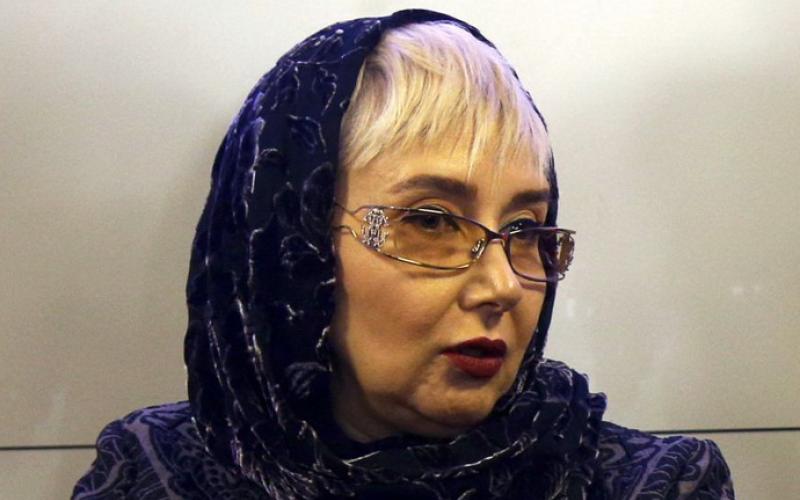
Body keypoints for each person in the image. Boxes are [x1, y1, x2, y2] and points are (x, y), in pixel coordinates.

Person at [73, 9, 734, 499]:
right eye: (430, 220)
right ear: (295, 250)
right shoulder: (156, 473)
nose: (502, 286)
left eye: (525, 229)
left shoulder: (650, 485)